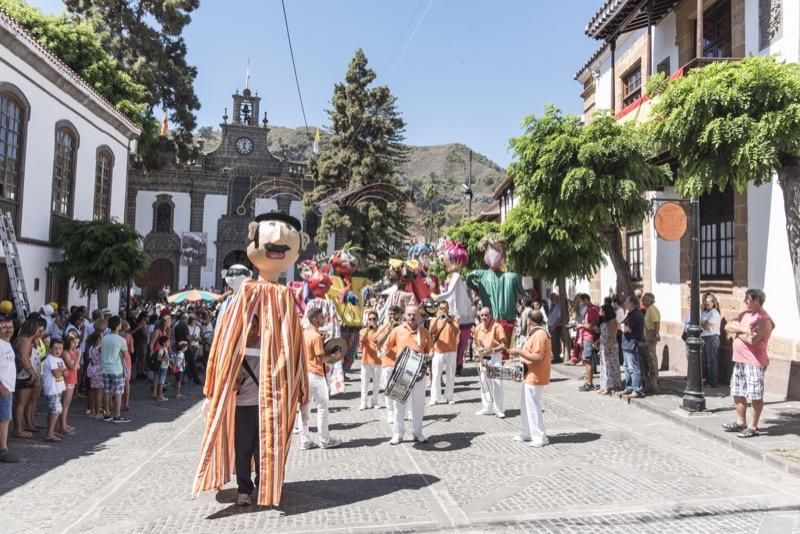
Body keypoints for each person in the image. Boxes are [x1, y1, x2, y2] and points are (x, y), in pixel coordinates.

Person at [194, 211, 310, 508]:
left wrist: (302, 391)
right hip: (244, 399)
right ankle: (245, 488)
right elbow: (223, 345)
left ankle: (265, 486)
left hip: (275, 398)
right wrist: (213, 388)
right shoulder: (243, 296)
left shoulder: (286, 299)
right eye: (254, 321)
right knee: (244, 446)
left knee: (269, 446)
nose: (258, 325)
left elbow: (296, 350)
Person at [723, 289, 774, 439]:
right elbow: (727, 326)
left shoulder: (764, 320)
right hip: (739, 359)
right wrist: (744, 330)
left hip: (754, 361)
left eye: (748, 299)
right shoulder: (745, 314)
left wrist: (737, 332)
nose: (745, 301)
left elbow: (753, 340)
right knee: (737, 391)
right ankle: (740, 423)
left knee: (755, 394)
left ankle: (753, 426)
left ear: (757, 300)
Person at [383, 304, 432, 444]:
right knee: (399, 404)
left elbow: (431, 350)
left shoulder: (424, 332)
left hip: (419, 373)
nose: (411, 317)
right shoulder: (397, 330)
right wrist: (389, 356)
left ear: (419, 316)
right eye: (409, 314)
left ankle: (417, 433)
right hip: (402, 372)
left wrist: (430, 355)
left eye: (414, 314)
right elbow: (386, 346)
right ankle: (398, 434)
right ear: (405, 315)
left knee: (418, 405)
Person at [466, 234, 526, 346]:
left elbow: (469, 279)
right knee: (498, 349)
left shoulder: (481, 274)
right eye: (492, 249)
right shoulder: (511, 277)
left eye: (498, 250)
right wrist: (478, 289)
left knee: (495, 348)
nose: (494, 254)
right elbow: (524, 294)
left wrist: (478, 289)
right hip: (499, 319)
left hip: (497, 320)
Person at [298, 307, 342, 450]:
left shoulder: (304, 333)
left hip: (305, 374)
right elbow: (321, 358)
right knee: (322, 406)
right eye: (321, 317)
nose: (323, 319)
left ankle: (304, 439)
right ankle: (324, 439)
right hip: (316, 375)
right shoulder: (315, 336)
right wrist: (334, 356)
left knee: (304, 407)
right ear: (315, 319)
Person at [509, 310, 551, 447]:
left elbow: (537, 357)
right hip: (529, 375)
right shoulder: (536, 333)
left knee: (533, 407)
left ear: (529, 321)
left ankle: (540, 437)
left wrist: (519, 351)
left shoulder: (540, 334)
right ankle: (527, 432)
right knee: (525, 406)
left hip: (536, 376)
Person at [434, 240, 475, 374]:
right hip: (452, 312)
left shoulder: (456, 275)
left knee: (460, 341)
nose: (443, 263)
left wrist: (437, 298)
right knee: (453, 340)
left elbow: (449, 292)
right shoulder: (449, 277)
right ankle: (455, 364)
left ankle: (458, 364)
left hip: (459, 314)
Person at [473, 306, 508, 418]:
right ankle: (487, 408)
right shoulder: (478, 328)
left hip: (495, 356)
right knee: (484, 382)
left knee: (497, 383)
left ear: (491, 315)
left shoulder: (497, 327)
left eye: (486, 315)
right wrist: (477, 352)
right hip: (483, 357)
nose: (484, 317)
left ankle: (499, 409)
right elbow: (475, 344)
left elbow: (504, 345)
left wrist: (492, 350)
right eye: (482, 315)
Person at [12, 318, 43, 438]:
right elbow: (24, 359)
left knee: (23, 402)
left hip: (26, 375)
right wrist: (32, 373)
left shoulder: (27, 340)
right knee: (21, 403)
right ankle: (18, 429)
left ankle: (24, 425)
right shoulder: (25, 341)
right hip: (24, 376)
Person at [101, 316, 131, 423]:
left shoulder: (104, 338)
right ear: (118, 325)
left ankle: (107, 413)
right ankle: (117, 415)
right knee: (118, 392)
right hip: (117, 369)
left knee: (107, 391)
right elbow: (126, 354)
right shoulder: (121, 340)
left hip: (105, 368)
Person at [429, 301, 459, 405]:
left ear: (448, 308)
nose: (443, 310)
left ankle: (449, 397)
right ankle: (434, 398)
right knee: (436, 374)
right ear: (438, 309)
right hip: (438, 350)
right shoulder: (434, 319)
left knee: (450, 375)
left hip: (451, 350)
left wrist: (450, 321)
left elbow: (456, 332)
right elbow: (430, 331)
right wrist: (437, 318)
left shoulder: (454, 318)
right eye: (441, 308)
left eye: (445, 308)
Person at [378, 305, 403, 421]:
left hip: (400, 362)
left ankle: (401, 413)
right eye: (390, 314)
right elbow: (378, 344)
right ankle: (390, 413)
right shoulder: (384, 327)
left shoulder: (403, 327)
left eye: (394, 314)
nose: (392, 316)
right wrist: (389, 331)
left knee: (400, 389)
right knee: (388, 389)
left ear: (400, 314)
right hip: (387, 362)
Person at [0, 314, 19, 462]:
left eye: (10, 327)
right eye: (4, 327)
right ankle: (3, 450)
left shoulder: (7, 344)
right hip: (3, 388)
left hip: (8, 387)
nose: (8, 330)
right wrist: (1, 386)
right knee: (4, 419)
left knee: (5, 418)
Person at [620, 296, 645, 398]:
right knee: (626, 367)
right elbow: (621, 326)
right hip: (626, 343)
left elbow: (625, 329)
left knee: (633, 367)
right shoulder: (629, 314)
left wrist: (623, 327)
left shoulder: (636, 315)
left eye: (627, 302)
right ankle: (629, 387)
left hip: (632, 343)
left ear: (632, 304)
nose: (625, 303)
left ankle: (637, 390)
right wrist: (623, 325)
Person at [42, 338, 66, 442]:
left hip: (58, 388)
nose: (58, 350)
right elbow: (56, 374)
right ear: (50, 348)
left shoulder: (60, 360)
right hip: (52, 388)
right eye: (55, 348)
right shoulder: (50, 359)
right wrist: (61, 371)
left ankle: (51, 431)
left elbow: (66, 373)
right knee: (55, 411)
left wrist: (60, 371)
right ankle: (49, 434)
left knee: (54, 411)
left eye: (60, 348)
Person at [597, 299, 622, 395]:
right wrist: (598, 341)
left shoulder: (612, 322)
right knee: (604, 366)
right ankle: (604, 385)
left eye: (601, 310)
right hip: (604, 345)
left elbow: (611, 336)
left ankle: (610, 385)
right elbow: (603, 333)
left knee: (610, 366)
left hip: (610, 346)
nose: (600, 312)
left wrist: (607, 347)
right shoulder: (605, 321)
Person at [358, 311, 381, 410]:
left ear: (377, 320)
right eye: (370, 319)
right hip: (366, 360)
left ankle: (374, 401)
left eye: (374, 319)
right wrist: (368, 329)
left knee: (376, 383)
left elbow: (383, 344)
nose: (372, 321)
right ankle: (363, 402)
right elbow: (362, 340)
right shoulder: (363, 330)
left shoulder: (381, 330)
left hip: (377, 361)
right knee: (364, 383)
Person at [576, 294, 600, 392]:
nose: (582, 303)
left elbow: (592, 325)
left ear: (586, 299)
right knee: (585, 360)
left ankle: (590, 383)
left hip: (588, 337)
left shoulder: (592, 309)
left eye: (582, 301)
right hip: (585, 337)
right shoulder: (588, 309)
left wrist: (581, 325)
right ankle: (587, 382)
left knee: (588, 360)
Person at [61, 333, 80, 434]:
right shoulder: (65, 352)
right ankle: (62, 425)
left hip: (72, 379)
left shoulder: (72, 352)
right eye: (73, 342)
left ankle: (64, 423)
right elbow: (73, 367)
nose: (75, 345)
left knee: (67, 403)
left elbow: (77, 367)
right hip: (67, 380)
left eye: (77, 343)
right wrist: (78, 356)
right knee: (65, 403)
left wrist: (76, 358)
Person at [701, 292, 721, 387]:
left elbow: (706, 325)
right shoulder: (704, 312)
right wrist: (703, 322)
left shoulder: (714, 313)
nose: (706, 304)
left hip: (711, 338)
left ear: (713, 303)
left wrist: (703, 323)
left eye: (709, 302)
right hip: (704, 337)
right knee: (706, 360)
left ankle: (712, 382)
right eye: (705, 302)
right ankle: (707, 380)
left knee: (711, 361)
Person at [642, 292, 662, 376]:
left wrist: (655, 334)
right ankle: (652, 374)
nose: (642, 301)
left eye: (643, 299)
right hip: (649, 332)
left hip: (651, 333)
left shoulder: (652, 309)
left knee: (651, 354)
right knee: (649, 355)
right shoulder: (649, 309)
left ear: (648, 300)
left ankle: (654, 375)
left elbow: (656, 322)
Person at [85, 331, 104, 417]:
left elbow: (89, 358)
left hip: (92, 370)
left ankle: (91, 410)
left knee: (92, 391)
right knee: (99, 392)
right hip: (99, 370)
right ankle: (97, 411)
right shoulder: (100, 347)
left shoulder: (91, 347)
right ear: (99, 338)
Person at [548, 293, 564, 364]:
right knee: (553, 342)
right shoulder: (552, 306)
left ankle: (557, 357)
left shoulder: (558, 306)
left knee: (555, 342)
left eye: (553, 298)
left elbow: (559, 318)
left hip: (555, 327)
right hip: (551, 326)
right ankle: (555, 356)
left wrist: (554, 326)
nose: (551, 300)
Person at [154, 336, 170, 401]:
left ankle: (159, 394)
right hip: (162, 367)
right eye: (168, 342)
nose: (169, 343)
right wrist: (165, 359)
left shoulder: (165, 349)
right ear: (164, 343)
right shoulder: (162, 350)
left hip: (164, 367)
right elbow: (158, 358)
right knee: (161, 382)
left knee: (161, 382)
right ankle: (160, 396)